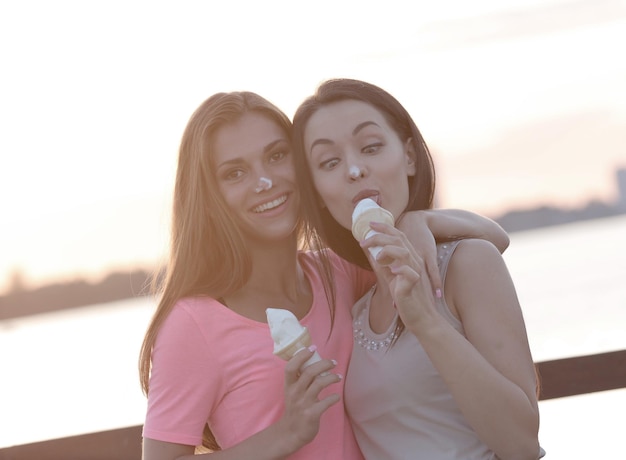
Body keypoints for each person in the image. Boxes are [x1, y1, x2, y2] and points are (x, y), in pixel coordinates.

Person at [138, 90, 511, 460]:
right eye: (235, 173)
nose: (264, 181)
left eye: (277, 156)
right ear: (209, 196)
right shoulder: (193, 324)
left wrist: (420, 220)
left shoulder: (342, 274)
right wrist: (285, 435)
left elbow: (496, 239)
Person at [291, 78, 542, 459]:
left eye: (371, 147)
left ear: (409, 156)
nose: (355, 170)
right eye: (330, 162)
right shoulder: (354, 302)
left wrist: (424, 319)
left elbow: (521, 444)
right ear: (319, 195)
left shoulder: (469, 264)